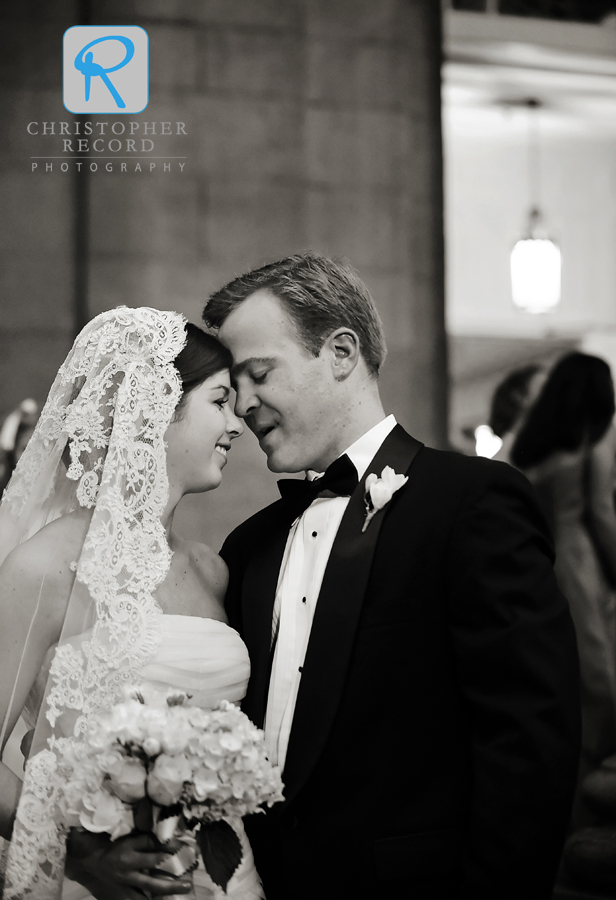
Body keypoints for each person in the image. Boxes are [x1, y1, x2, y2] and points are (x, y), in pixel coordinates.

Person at [202, 251, 582, 900]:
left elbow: (530, 742)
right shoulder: (248, 546)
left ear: (342, 353)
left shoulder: (471, 503)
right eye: (232, 387)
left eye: (258, 373)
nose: (242, 406)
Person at [0, 307, 264, 900]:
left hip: (226, 878)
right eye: (219, 401)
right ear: (154, 412)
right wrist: (81, 856)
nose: (237, 424)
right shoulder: (45, 568)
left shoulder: (211, 569)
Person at [510, 352, 616, 784]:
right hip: (578, 562)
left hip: (536, 563)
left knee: (553, 678)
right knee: (599, 681)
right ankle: (590, 780)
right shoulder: (598, 436)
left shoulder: (534, 442)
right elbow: (603, 512)